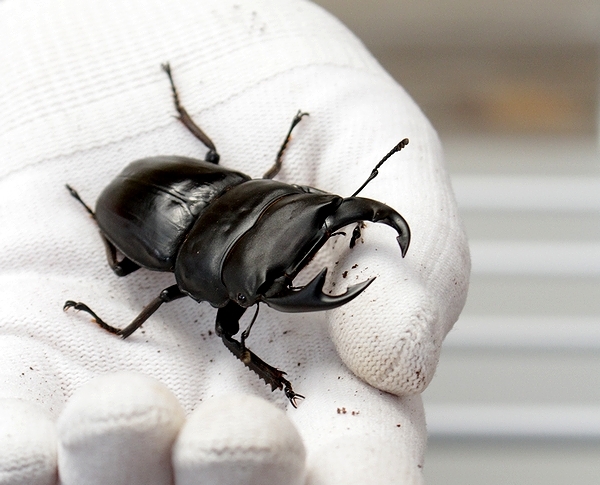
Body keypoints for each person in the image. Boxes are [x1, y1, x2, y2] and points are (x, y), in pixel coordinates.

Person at [0, 0, 470, 483]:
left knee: (212, 165)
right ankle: (259, 373)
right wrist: (94, 217)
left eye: (292, 202)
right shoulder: (175, 256)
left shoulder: (242, 190)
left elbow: (268, 191)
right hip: (151, 206)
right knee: (175, 296)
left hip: (215, 191)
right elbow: (214, 301)